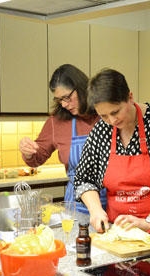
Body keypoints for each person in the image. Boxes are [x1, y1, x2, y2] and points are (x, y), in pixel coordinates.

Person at [73, 69, 150, 247]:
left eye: (116, 111)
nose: (112, 120)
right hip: (122, 235)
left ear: (130, 97)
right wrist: (95, 210)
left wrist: (149, 221)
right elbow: (84, 179)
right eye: (104, 115)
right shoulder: (102, 130)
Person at [19, 64, 107, 214]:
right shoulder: (57, 122)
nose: (64, 104)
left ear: (82, 88)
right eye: (59, 100)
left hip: (116, 201)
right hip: (78, 205)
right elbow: (36, 158)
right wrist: (27, 151)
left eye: (67, 97)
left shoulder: (107, 114)